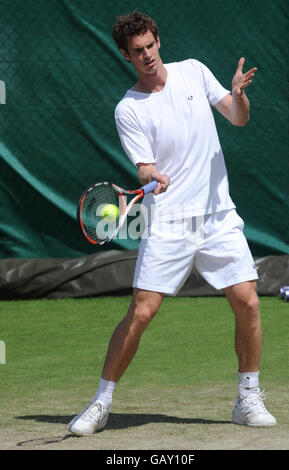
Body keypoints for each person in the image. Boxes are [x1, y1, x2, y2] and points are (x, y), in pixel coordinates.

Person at [68, 11, 276, 436]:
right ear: (126, 56)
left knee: (248, 302)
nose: (147, 56)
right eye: (137, 51)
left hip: (217, 215)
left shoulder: (194, 72)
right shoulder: (128, 109)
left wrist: (238, 95)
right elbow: (144, 167)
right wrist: (151, 176)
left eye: (150, 46)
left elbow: (238, 118)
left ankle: (248, 397)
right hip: (170, 222)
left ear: (158, 41)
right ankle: (101, 403)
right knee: (142, 311)